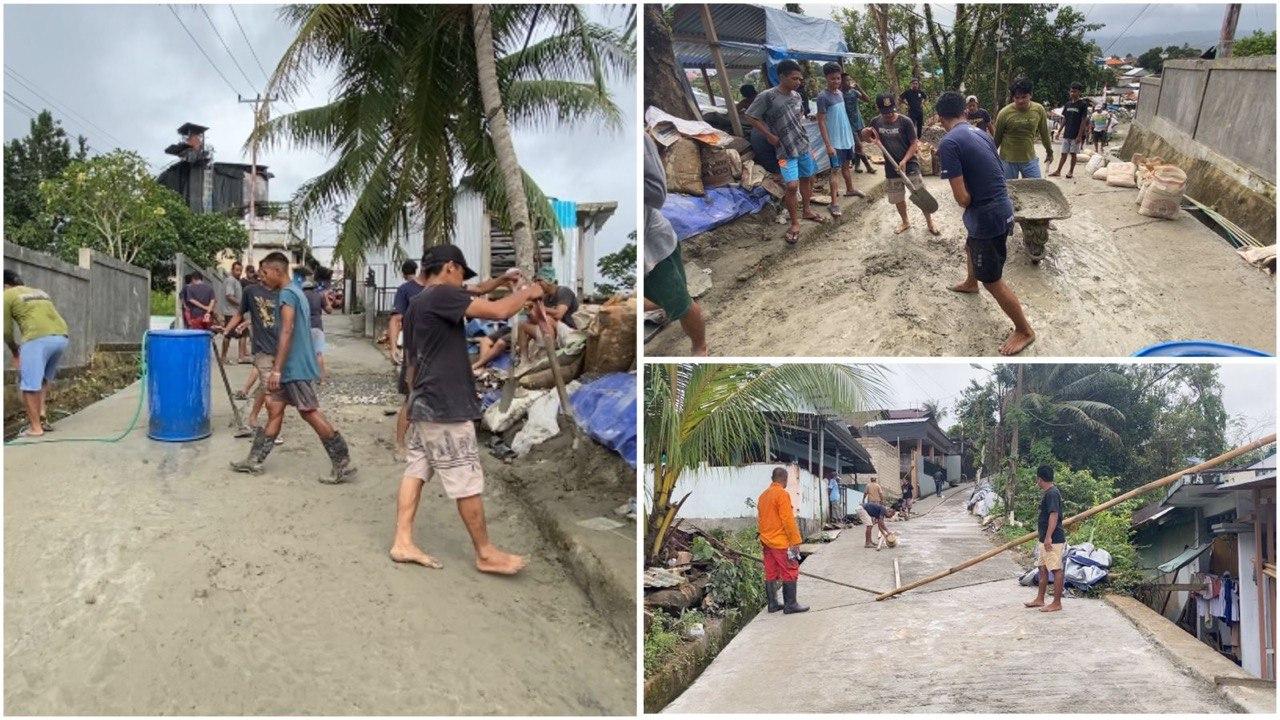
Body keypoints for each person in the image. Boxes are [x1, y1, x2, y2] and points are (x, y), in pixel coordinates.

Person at [392, 243, 539, 575]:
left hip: (424, 400)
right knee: (466, 478)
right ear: (450, 267)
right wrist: (529, 291)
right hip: (445, 405)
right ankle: (484, 552)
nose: (462, 283)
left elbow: (412, 362)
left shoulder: (418, 304)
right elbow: (499, 311)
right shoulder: (442, 295)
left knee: (416, 470)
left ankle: (402, 541)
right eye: (461, 274)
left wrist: (412, 401)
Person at [230, 252, 355, 482]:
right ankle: (254, 459)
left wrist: (277, 369)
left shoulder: (287, 294)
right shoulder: (296, 292)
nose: (262, 277)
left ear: (277, 271)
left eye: (265, 272)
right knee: (275, 410)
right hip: (290, 366)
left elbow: (287, 330)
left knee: (309, 411)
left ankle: (342, 462)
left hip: (293, 367)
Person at [935, 90, 1037, 356]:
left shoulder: (948, 143)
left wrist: (971, 195)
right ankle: (971, 282)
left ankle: (1024, 330)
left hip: (987, 217)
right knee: (970, 246)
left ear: (939, 117)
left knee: (992, 280)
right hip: (1002, 207)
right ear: (964, 111)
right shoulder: (981, 133)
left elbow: (962, 199)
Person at [744, 59, 822, 245]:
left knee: (808, 177)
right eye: (794, 78)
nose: (798, 82)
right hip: (783, 151)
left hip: (802, 145)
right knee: (792, 185)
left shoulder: (797, 96)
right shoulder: (768, 96)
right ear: (782, 77)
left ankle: (807, 210)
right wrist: (768, 135)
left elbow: (798, 117)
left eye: (800, 79)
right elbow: (750, 116)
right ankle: (794, 223)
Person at [643, 134, 708, 355]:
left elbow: (657, 193)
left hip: (653, 250)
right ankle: (671, 303)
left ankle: (700, 347)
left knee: (682, 305)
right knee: (654, 298)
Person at [4, 270, 70, 437]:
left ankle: (35, 428)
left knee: (29, 386)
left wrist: (14, 350)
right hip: (61, 337)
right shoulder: (40, 292)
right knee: (42, 380)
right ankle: (42, 415)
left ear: (5, 285)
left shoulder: (7, 295)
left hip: (37, 338)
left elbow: (5, 330)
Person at [866, 92, 940, 236]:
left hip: (910, 164)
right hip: (891, 167)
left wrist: (904, 160)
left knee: (920, 194)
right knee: (898, 197)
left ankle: (930, 222)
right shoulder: (875, 122)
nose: (889, 114)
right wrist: (865, 132)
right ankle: (905, 222)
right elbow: (868, 138)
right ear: (878, 109)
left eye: (891, 110)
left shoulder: (905, 122)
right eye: (885, 112)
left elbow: (914, 144)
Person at [225, 265, 284, 442]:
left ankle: (251, 419)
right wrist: (226, 330)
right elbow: (239, 314)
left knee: (265, 387)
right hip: (262, 348)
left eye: (267, 272)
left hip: (281, 348)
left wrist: (249, 322)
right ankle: (272, 432)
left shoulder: (282, 293)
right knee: (272, 391)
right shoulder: (250, 291)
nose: (263, 276)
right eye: (261, 272)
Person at [815, 62, 865, 219]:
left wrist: (850, 137)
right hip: (835, 142)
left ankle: (850, 189)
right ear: (826, 78)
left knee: (846, 167)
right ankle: (834, 203)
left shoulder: (840, 93)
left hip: (846, 138)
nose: (836, 81)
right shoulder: (822, 97)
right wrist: (828, 145)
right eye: (832, 79)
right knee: (835, 170)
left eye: (838, 78)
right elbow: (821, 121)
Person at [758, 466, 808, 614]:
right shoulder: (782, 494)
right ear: (784, 479)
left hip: (766, 541)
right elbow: (787, 520)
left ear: (772, 479)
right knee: (790, 569)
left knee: (770, 572)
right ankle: (790, 605)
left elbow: (760, 519)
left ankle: (773, 604)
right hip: (781, 542)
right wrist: (795, 541)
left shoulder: (763, 496)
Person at [390, 260, 426, 459]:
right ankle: (400, 443)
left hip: (435, 352)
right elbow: (396, 319)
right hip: (414, 352)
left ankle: (421, 441)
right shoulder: (406, 290)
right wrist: (394, 346)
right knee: (411, 398)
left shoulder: (438, 289)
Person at [993, 76, 1053, 179]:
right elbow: (996, 139)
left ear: (1031, 95)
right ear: (1013, 97)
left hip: (1029, 159)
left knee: (1036, 187)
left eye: (1024, 97)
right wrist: (991, 158)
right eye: (1017, 97)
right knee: (1008, 188)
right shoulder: (1004, 113)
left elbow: (1044, 134)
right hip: (1008, 161)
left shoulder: (1039, 110)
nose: (1020, 101)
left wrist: (1049, 152)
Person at [1026, 465, 1066, 613]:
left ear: (1039, 479)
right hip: (1044, 539)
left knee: (1056, 570)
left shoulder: (1052, 493)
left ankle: (1056, 603)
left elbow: (1054, 515)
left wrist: (1049, 537)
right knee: (1042, 568)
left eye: (1037, 479)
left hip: (1053, 539)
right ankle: (1040, 599)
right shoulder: (1049, 493)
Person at [1049, 82, 1092, 179]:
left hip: (1076, 134)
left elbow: (1083, 120)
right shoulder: (1067, 104)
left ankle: (1070, 172)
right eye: (1071, 91)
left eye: (1075, 91)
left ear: (1079, 92)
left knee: (1073, 154)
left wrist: (1079, 135)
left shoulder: (1082, 104)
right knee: (1063, 153)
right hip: (1067, 133)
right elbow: (1065, 119)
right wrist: (1059, 131)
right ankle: (1058, 171)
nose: (1072, 93)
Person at [840, 73, 876, 173]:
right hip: (848, 124)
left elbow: (867, 99)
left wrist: (859, 87)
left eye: (849, 80)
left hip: (858, 122)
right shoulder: (839, 95)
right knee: (859, 145)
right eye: (846, 80)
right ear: (841, 82)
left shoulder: (854, 92)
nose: (849, 82)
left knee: (858, 146)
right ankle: (868, 167)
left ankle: (857, 165)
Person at [218, 261, 249, 364]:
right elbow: (229, 296)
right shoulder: (231, 280)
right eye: (237, 270)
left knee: (243, 332)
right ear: (232, 270)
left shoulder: (236, 281)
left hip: (235, 312)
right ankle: (224, 357)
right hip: (231, 313)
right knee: (229, 334)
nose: (239, 272)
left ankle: (240, 356)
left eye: (240, 270)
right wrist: (242, 304)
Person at [303, 279, 333, 382]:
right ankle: (322, 379)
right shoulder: (319, 296)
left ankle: (307, 378)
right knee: (318, 354)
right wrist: (326, 298)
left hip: (304, 328)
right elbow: (329, 310)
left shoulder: (301, 296)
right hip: (317, 327)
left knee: (305, 354)